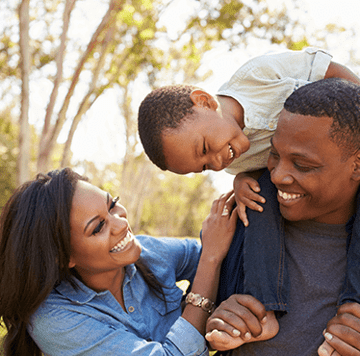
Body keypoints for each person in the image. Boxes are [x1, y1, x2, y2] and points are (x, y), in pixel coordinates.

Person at [0, 167, 238, 356]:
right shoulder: (55, 321)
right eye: (99, 227)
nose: (122, 223)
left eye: (112, 205)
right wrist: (210, 262)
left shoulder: (149, 252)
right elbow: (211, 256)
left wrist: (244, 184)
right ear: (63, 258)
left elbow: (227, 256)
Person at [204, 78, 360, 355]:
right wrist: (217, 319)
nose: (277, 175)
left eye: (302, 165)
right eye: (274, 154)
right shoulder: (238, 226)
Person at [137, 47, 360, 227]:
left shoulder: (257, 75)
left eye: (204, 149)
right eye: (204, 167)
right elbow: (263, 169)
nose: (216, 163)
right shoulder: (236, 162)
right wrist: (240, 180)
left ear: (204, 102)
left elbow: (328, 70)